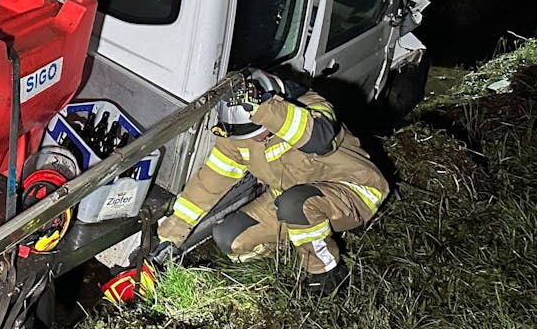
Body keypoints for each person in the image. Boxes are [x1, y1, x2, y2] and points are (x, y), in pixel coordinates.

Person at [152, 68, 389, 296]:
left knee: (296, 203)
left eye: (256, 129)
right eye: (245, 133)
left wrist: (267, 111)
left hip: (354, 190)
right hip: (289, 197)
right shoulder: (238, 137)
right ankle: (299, 246)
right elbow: (208, 184)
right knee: (228, 238)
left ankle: (327, 274)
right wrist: (172, 234)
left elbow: (321, 140)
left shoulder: (311, 106)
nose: (252, 138)